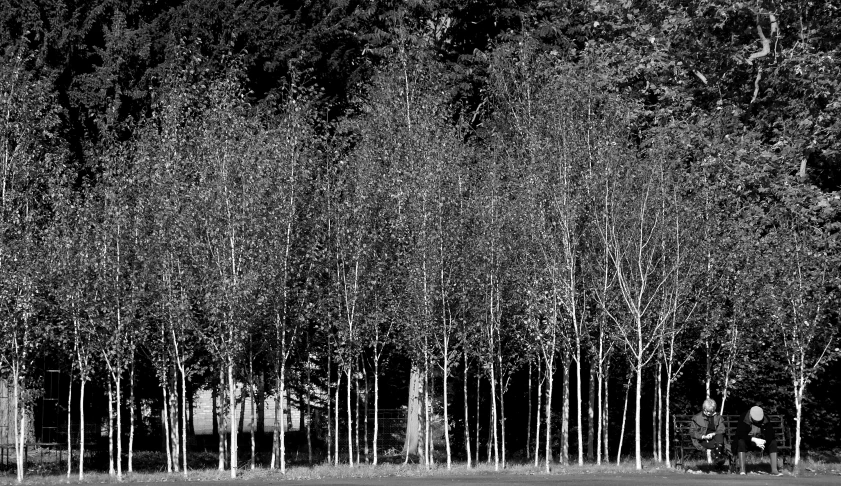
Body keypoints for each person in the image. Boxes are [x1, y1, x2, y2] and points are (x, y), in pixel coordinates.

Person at [734, 405, 782, 476]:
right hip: (748, 442)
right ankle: (742, 469)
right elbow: (740, 434)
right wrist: (754, 440)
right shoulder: (743, 417)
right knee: (741, 442)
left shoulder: (765, 418)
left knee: (773, 443)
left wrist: (763, 441)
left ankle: (774, 470)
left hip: (761, 443)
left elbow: (771, 435)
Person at [689, 398, 729, 466]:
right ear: (704, 409)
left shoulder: (718, 417)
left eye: (712, 411)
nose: (710, 413)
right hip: (702, 441)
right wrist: (703, 436)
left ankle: (718, 459)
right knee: (717, 444)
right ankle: (717, 459)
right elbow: (692, 432)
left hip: (716, 440)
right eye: (708, 411)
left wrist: (713, 434)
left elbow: (722, 429)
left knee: (719, 435)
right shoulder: (697, 418)